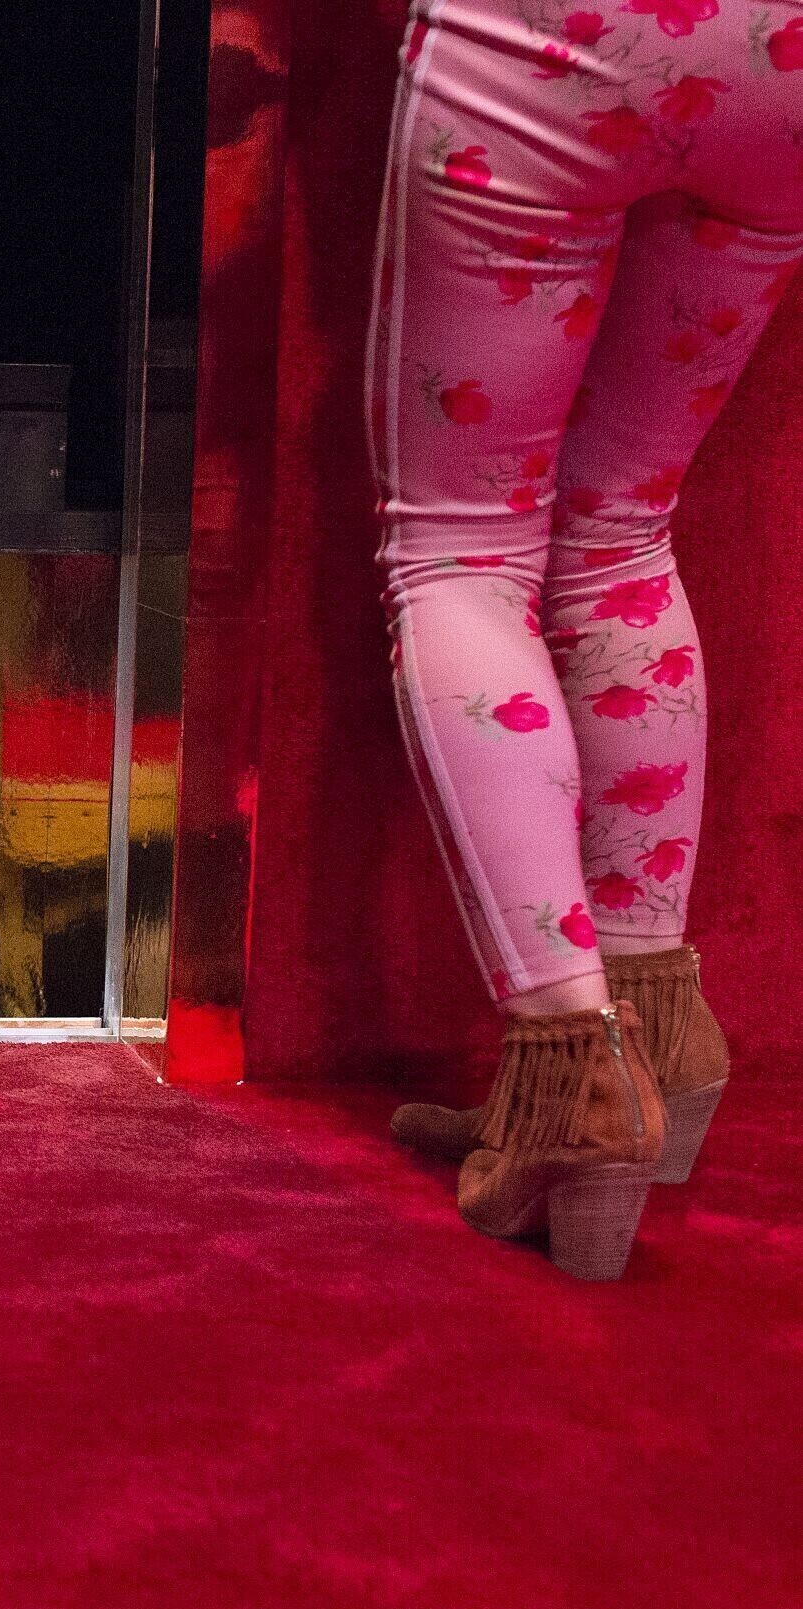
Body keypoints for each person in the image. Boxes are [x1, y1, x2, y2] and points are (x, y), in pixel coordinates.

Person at [365, 1, 790, 1278]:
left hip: (555, 35)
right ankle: (653, 1028)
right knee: (620, 528)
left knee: (459, 547)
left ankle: (574, 1079)